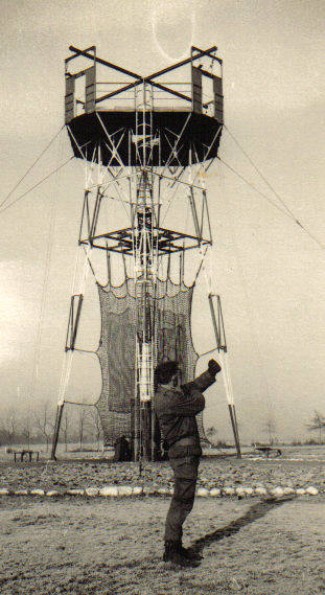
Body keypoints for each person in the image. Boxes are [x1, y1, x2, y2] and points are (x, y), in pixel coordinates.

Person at [154, 358, 221, 567]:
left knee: (184, 500)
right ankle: (171, 550)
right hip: (183, 455)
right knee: (182, 501)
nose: (180, 377)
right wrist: (194, 388)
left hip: (186, 454)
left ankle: (175, 546)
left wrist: (209, 374)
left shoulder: (173, 393)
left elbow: (193, 387)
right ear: (171, 377)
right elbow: (198, 401)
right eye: (177, 374)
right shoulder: (168, 400)